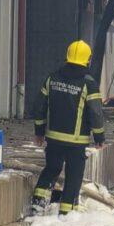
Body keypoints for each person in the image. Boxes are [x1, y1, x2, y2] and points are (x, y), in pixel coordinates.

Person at [31, 40, 105, 216]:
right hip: (76, 142)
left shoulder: (52, 78)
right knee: (73, 178)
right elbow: (95, 113)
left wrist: (39, 132)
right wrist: (100, 137)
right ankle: (66, 214)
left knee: (51, 170)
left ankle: (37, 205)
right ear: (87, 60)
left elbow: (39, 107)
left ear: (68, 56)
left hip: (54, 139)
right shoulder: (89, 84)